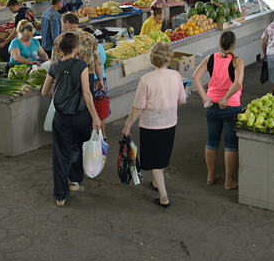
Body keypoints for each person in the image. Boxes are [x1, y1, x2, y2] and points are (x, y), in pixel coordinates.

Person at [41, 33, 102, 206]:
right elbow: (87, 94)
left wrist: (57, 88)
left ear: (60, 49)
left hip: (61, 118)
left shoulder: (54, 66)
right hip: (80, 115)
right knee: (77, 147)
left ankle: (60, 195)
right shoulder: (81, 65)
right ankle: (75, 182)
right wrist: (95, 117)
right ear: (76, 48)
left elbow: (45, 93)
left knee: (60, 154)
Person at [122, 43, 187, 207]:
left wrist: (127, 125)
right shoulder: (176, 76)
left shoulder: (146, 80)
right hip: (170, 123)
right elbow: (182, 100)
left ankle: (164, 197)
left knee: (155, 161)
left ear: (152, 59)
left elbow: (138, 107)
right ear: (169, 58)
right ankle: (157, 183)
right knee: (161, 157)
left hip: (151, 126)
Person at [192, 31, 244, 189]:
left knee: (212, 142)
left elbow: (195, 77)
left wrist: (204, 97)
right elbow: (238, 83)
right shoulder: (237, 61)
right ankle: (229, 181)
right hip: (230, 107)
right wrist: (227, 99)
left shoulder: (210, 59)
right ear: (234, 45)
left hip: (211, 106)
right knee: (230, 145)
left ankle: (210, 176)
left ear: (220, 44)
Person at [52, 13, 107, 137]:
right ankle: (84, 134)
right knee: (87, 106)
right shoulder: (90, 37)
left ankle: (69, 135)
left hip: (67, 79)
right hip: (88, 77)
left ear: (67, 23)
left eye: (62, 24)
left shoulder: (60, 39)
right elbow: (97, 61)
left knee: (68, 107)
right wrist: (100, 79)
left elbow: (54, 63)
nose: (62, 27)